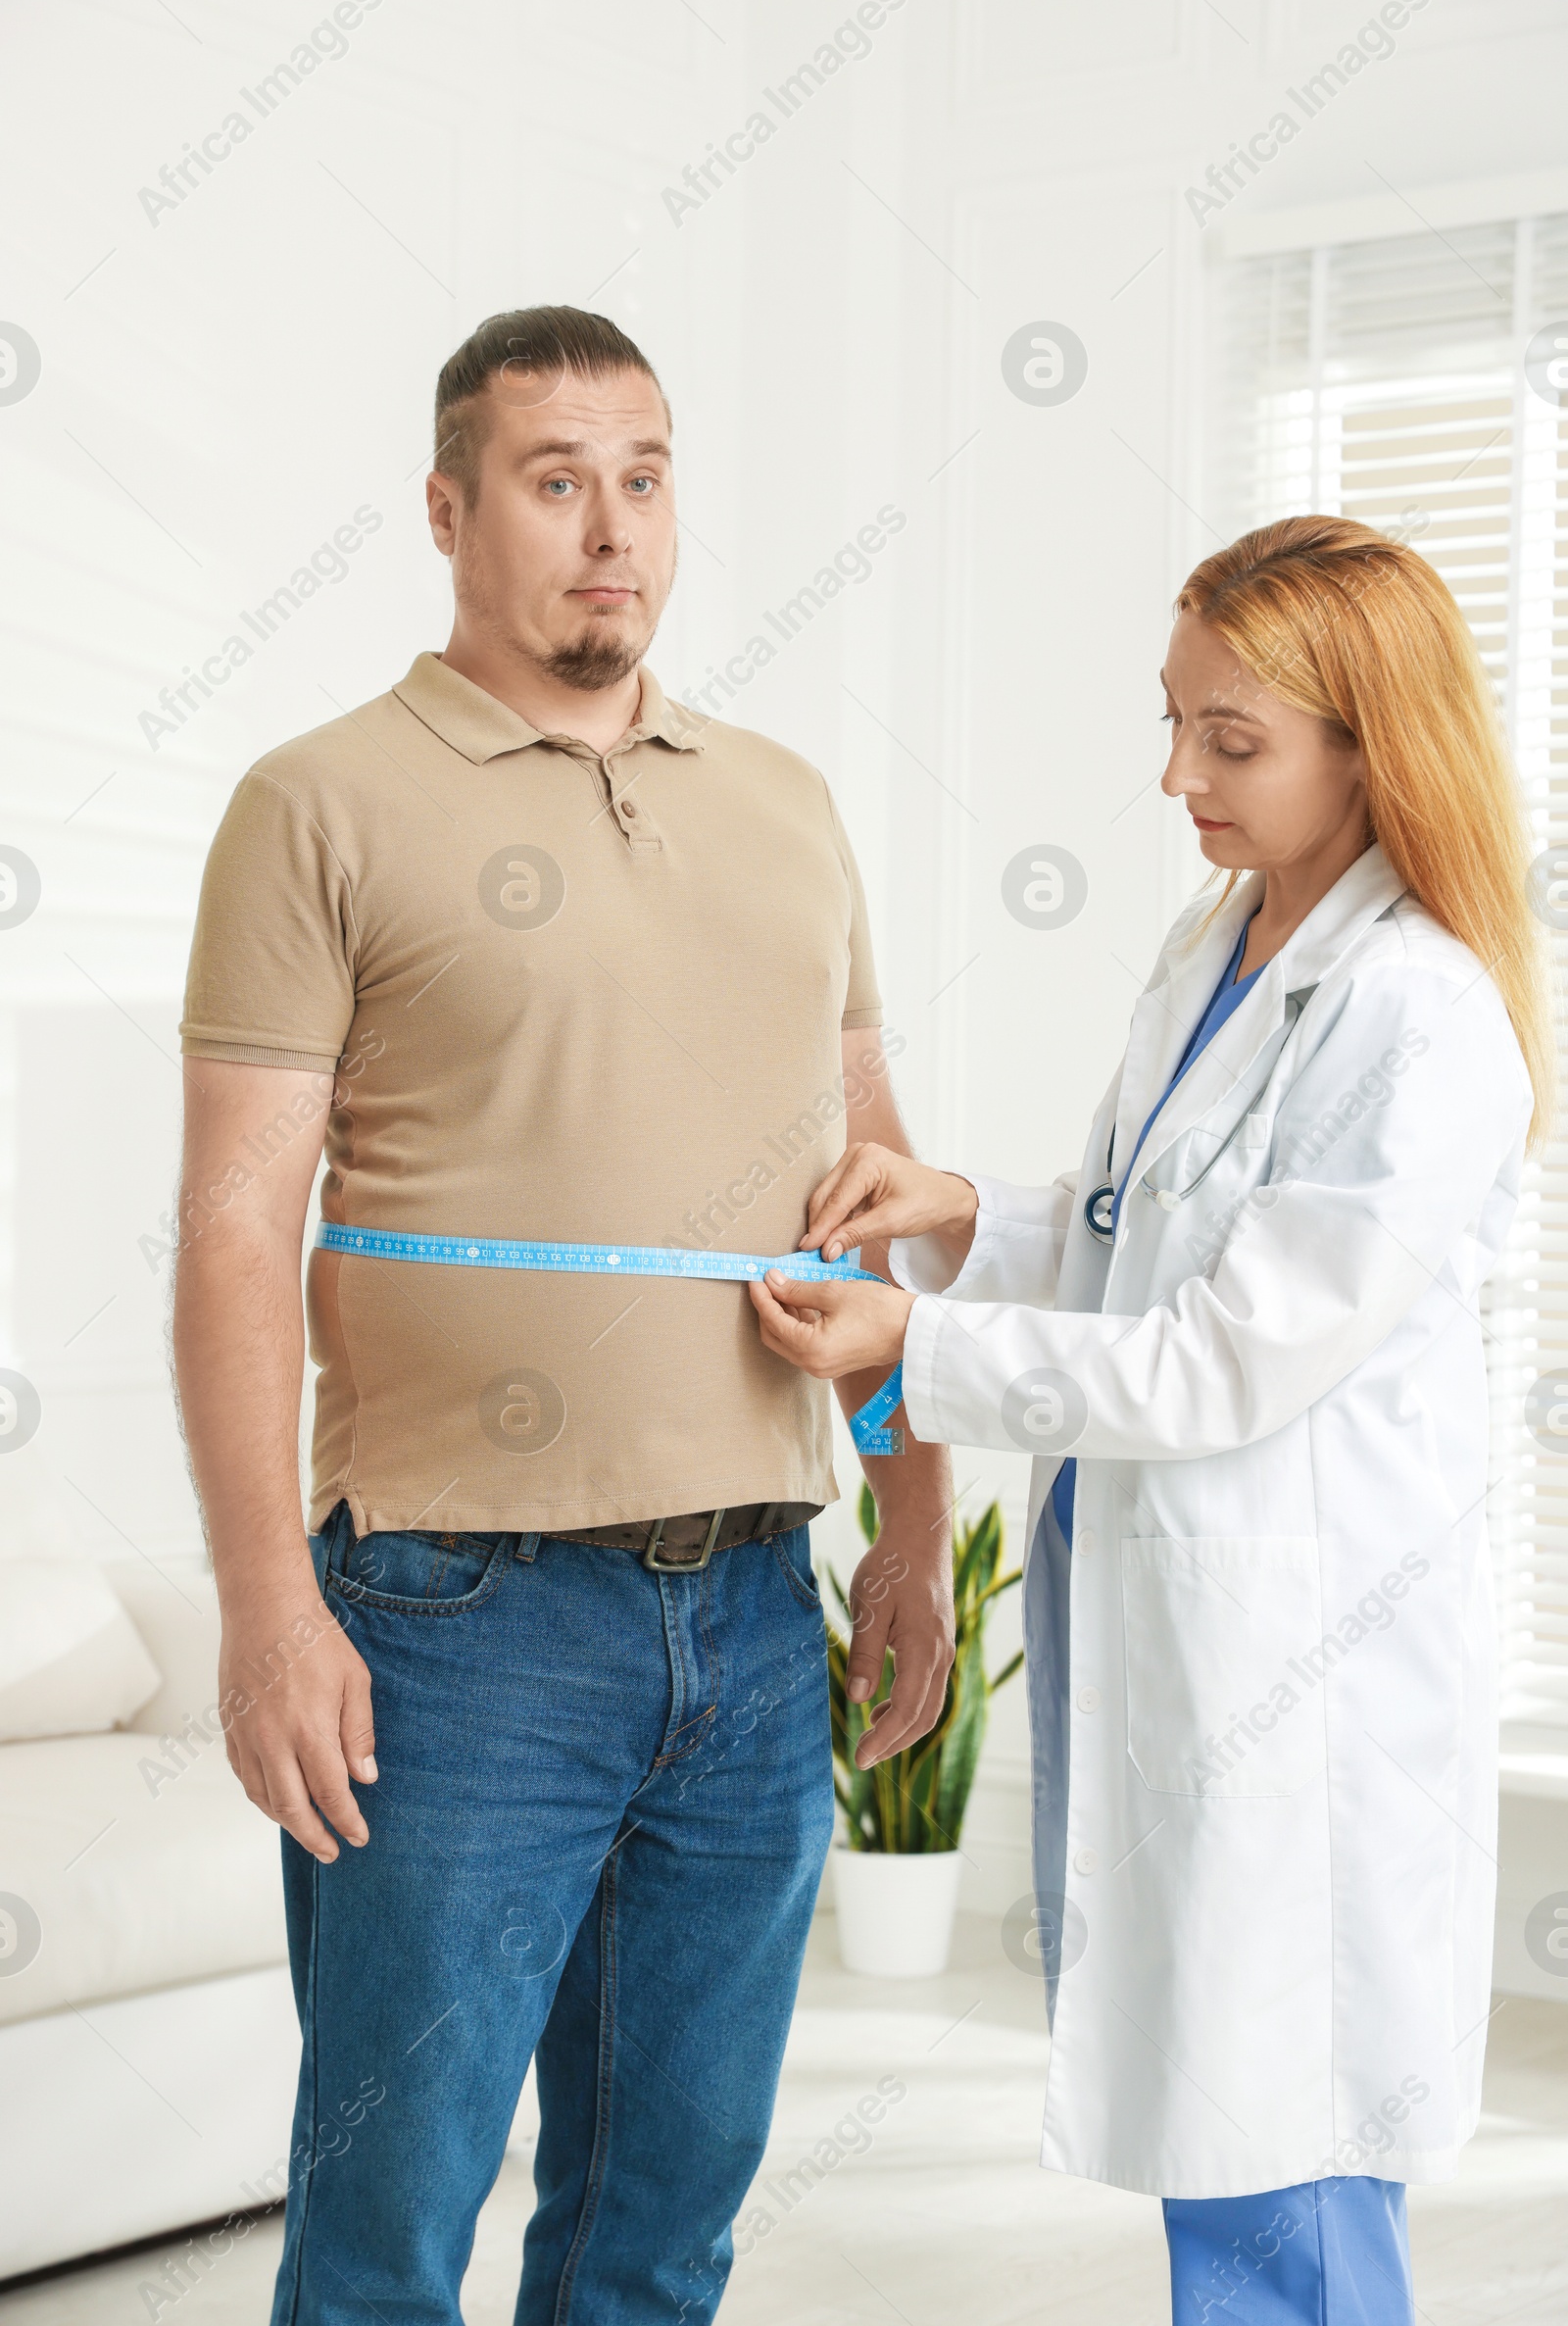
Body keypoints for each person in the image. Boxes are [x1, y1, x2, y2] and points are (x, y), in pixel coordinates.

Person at [172, 304, 955, 2326]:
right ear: (447, 511)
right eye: (551, 481)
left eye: (644, 475)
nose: (609, 530)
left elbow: (874, 1197)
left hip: (758, 1618)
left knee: (656, 2244)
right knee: (380, 2253)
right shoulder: (315, 801)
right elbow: (239, 1226)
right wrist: (270, 1612)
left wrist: (919, 1528)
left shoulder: (783, 799)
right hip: (453, 1626)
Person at [751, 515, 1549, 2322]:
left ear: (1372, 745)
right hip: (1195, 1644)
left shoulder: (1421, 1015)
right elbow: (1138, 1235)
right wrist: (960, 1212)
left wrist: (912, 1351)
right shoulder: (1224, 945)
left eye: (1231, 741)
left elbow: (1224, 1356)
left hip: (1305, 1671)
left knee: (1289, 2149)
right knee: (1231, 2139)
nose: (1175, 775)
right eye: (1175, 722)